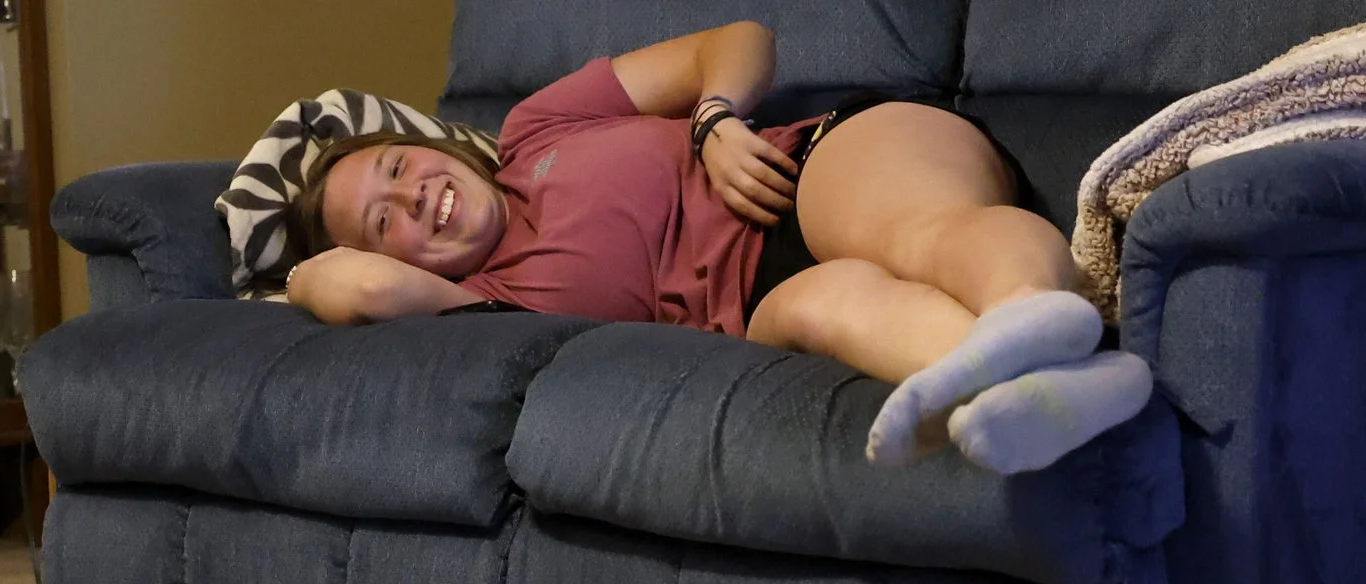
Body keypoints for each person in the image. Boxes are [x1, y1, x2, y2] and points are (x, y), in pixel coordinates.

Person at [283, 21, 1154, 476]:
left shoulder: (536, 126)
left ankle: (1038, 319)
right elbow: (345, 289)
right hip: (755, 310)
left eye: (399, 166)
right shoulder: (488, 307)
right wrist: (301, 266)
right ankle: (1046, 389)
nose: (413, 196)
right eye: (384, 220)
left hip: (808, 168)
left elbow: (737, 40)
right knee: (825, 304)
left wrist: (713, 119)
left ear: (437, 146)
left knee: (910, 230)